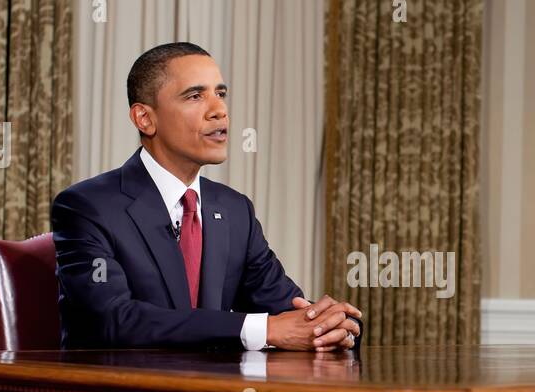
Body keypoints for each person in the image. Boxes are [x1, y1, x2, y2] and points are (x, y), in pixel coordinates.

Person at [52, 42, 362, 351]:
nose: (219, 110)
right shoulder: (87, 207)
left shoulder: (234, 209)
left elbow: (286, 308)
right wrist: (263, 329)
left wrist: (330, 326)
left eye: (221, 94)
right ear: (145, 119)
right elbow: (115, 321)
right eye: (196, 96)